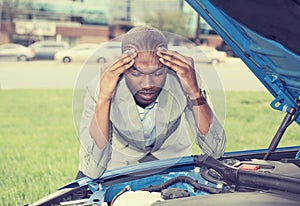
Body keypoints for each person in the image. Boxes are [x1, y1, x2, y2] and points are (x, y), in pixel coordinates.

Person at [76, 26, 226, 179]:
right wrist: (104, 98)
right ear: (124, 66)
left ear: (167, 66)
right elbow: (92, 170)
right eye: (136, 72)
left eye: (157, 72)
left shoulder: (185, 78)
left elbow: (215, 150)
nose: (147, 84)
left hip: (171, 163)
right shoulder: (100, 86)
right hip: (118, 166)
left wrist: (194, 92)